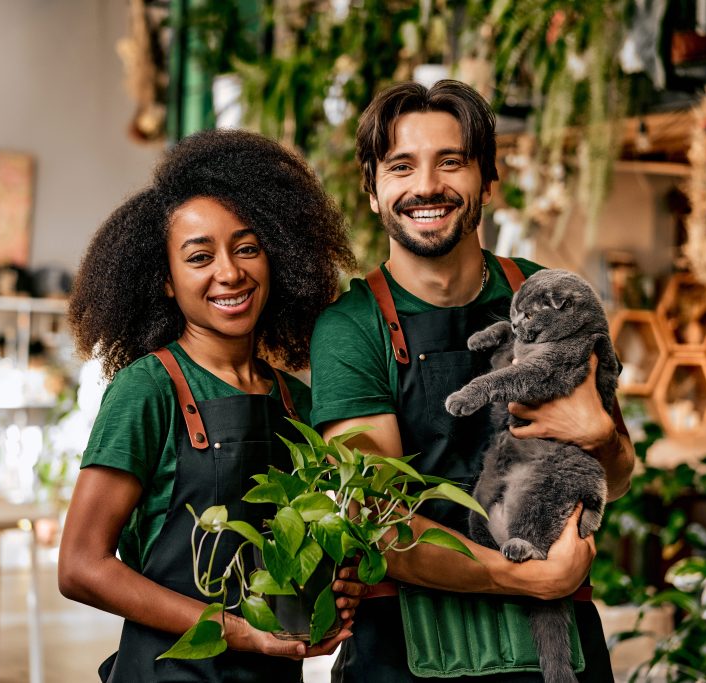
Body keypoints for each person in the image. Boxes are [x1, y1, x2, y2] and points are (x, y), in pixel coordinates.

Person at [309, 80, 636, 681]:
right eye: (400, 166)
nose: (426, 185)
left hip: (555, 653)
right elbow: (376, 520)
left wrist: (599, 436)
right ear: (373, 191)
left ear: (487, 181)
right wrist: (528, 577)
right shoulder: (351, 329)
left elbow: (614, 476)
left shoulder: (549, 294)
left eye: (450, 162)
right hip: (406, 653)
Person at [59, 129, 360, 682]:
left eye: (247, 248)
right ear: (167, 283)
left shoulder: (299, 402)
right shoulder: (147, 390)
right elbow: (80, 567)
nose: (230, 272)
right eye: (200, 256)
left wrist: (334, 597)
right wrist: (235, 630)